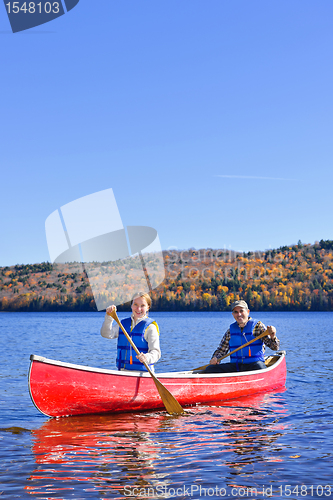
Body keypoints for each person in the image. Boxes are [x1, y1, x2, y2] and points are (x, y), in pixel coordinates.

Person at [204, 300, 280, 373]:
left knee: (259, 367)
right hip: (236, 366)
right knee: (210, 369)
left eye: (241, 311)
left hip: (254, 365)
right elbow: (221, 350)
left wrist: (273, 336)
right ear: (233, 315)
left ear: (248, 312)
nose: (239, 314)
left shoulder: (258, 327)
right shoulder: (230, 331)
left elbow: (275, 347)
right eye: (236, 312)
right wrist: (215, 358)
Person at [100, 291, 161, 372]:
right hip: (123, 372)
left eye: (142, 305)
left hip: (143, 373)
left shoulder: (150, 327)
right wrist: (109, 317)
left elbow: (156, 353)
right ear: (131, 305)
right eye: (135, 304)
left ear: (148, 307)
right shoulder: (123, 324)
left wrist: (147, 357)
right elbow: (106, 334)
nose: (138, 309)